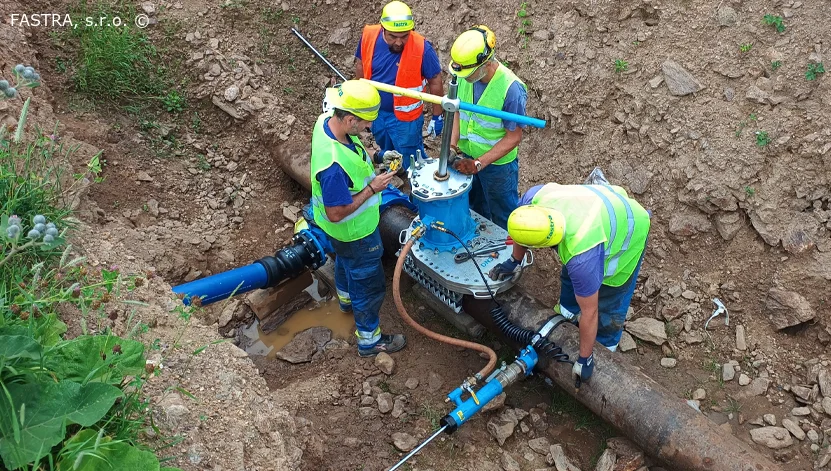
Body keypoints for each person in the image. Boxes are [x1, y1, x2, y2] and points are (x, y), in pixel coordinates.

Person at [488, 182, 651, 385]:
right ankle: (566, 316)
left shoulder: (581, 255)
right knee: (573, 278)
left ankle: (605, 350)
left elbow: (590, 312)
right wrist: (514, 261)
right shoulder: (533, 202)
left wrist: (584, 358)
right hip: (602, 206)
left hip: (629, 228)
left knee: (609, 294)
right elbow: (521, 231)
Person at [310, 80, 406, 357]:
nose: (368, 128)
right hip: (354, 232)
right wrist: (372, 188)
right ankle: (370, 340)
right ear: (349, 119)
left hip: (339, 235)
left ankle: (345, 300)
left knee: (344, 262)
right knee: (368, 282)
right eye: (365, 123)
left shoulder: (326, 122)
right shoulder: (333, 168)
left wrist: (377, 155)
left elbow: (350, 149)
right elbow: (336, 212)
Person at [448, 25, 527, 230]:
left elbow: (513, 137)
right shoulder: (463, 75)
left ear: (486, 62)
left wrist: (479, 163)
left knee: (502, 214)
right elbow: (457, 111)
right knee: (475, 207)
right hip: (467, 156)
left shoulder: (511, 89)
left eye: (469, 72)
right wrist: (452, 145)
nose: (464, 77)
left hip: (498, 167)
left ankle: (511, 255)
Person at [354, 1, 444, 169]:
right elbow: (360, 65)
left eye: (404, 36)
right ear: (383, 29)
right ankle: (395, 171)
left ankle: (415, 183)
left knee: (410, 153)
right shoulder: (368, 36)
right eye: (393, 36)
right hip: (377, 112)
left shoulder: (422, 47)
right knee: (386, 149)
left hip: (406, 120)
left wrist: (437, 116)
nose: (398, 42)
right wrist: (360, 103)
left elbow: (435, 81)